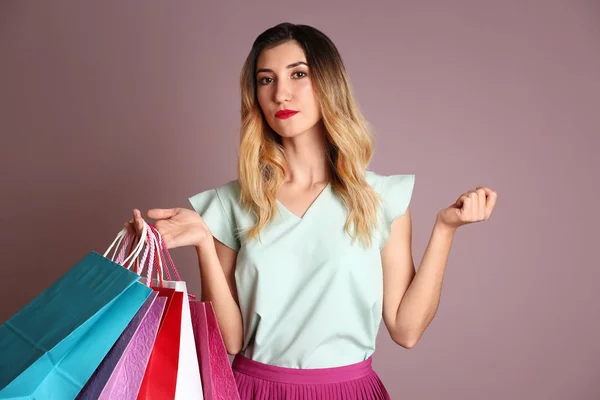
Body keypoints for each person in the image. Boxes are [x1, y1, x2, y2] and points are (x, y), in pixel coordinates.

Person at [127, 22, 497, 400]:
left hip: (350, 391)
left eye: (298, 74)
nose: (281, 94)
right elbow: (230, 341)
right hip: (253, 391)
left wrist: (445, 229)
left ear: (328, 84)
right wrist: (204, 243)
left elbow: (406, 330)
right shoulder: (233, 203)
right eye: (266, 80)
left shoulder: (382, 198)